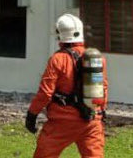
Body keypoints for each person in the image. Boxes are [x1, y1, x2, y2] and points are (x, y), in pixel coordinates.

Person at [25, 14, 108, 158]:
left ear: (60, 35)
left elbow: (45, 93)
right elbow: (103, 88)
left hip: (62, 122)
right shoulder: (97, 59)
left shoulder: (58, 59)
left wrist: (32, 115)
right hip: (91, 121)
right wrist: (102, 111)